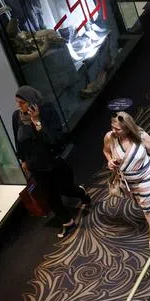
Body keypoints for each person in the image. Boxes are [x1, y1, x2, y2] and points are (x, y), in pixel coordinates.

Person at [12, 86, 91, 238]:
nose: (19, 106)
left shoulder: (47, 111)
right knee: (50, 196)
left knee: (65, 189)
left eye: (22, 103)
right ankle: (67, 222)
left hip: (52, 162)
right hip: (35, 164)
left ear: (32, 102)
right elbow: (18, 141)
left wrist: (36, 121)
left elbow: (53, 141)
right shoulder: (17, 117)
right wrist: (23, 160)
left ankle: (82, 193)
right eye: (17, 102)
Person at [102, 111, 150, 250]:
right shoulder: (110, 137)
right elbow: (106, 151)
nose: (114, 131)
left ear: (127, 127)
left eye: (118, 129)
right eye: (112, 127)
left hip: (146, 176)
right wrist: (110, 162)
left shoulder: (141, 137)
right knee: (141, 203)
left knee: (146, 204)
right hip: (127, 181)